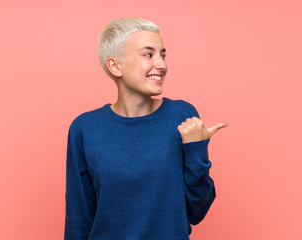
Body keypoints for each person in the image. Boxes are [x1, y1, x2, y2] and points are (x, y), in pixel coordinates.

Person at [64, 17, 227, 240]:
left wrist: (197, 151)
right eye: (148, 55)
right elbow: (78, 219)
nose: (161, 64)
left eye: (163, 55)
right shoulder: (85, 129)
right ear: (115, 66)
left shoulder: (181, 117)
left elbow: (196, 212)